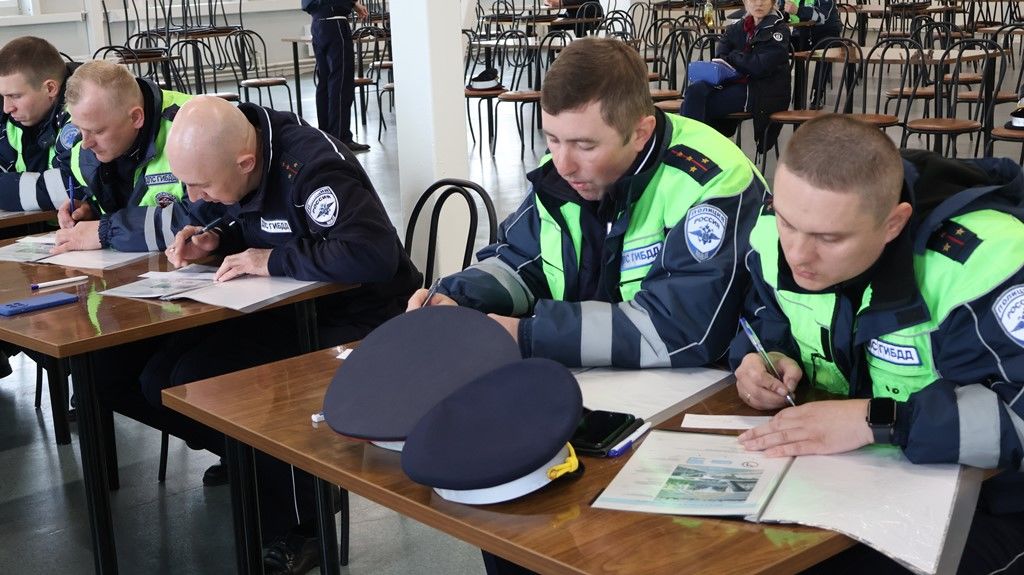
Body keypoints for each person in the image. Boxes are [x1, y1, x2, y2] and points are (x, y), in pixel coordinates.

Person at [732, 114, 1024, 574]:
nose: (798, 254)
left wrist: (881, 420)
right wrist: (762, 354)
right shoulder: (777, 231)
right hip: (858, 487)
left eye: (829, 238)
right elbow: (764, 311)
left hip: (993, 504)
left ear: (893, 224)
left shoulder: (989, 264)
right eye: (786, 222)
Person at [142, 95, 421, 575]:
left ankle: (304, 523)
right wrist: (219, 239)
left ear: (245, 163)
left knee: (218, 377)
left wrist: (270, 260)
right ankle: (250, 457)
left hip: (363, 313)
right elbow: (257, 224)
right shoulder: (240, 158)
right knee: (161, 378)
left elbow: (371, 255)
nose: (194, 197)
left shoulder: (311, 168)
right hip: (293, 308)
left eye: (202, 184)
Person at [410, 38, 766, 371]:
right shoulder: (562, 175)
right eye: (552, 139)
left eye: (585, 145)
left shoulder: (713, 182)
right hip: (595, 381)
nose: (563, 164)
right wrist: (458, 298)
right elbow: (519, 260)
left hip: (707, 391)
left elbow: (679, 330)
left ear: (640, 133)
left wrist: (530, 336)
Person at [50, 59, 219, 253]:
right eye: (79, 128)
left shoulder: (193, 127)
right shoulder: (86, 135)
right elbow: (125, 206)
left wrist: (106, 231)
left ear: (136, 117)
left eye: (97, 131)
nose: (85, 143)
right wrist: (91, 210)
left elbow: (205, 218)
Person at [681, 0, 791, 154]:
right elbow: (721, 55)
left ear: (772, 2)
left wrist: (734, 57)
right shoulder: (738, 27)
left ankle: (695, 153)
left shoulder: (779, 29)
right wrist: (741, 60)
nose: (759, 3)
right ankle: (694, 150)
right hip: (732, 82)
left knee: (698, 106)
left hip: (761, 90)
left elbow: (760, 66)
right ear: (745, 2)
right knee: (695, 91)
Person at [0, 36, 80, 214]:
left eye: (15, 96)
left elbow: (71, 187)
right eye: (3, 96)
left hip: (79, 226)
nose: (7, 108)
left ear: (50, 88)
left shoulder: (83, 113)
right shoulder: (13, 116)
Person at [301, 0, 370, 152]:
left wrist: (354, 4)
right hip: (335, 23)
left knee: (325, 82)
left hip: (317, 23)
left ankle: (326, 137)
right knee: (341, 82)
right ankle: (340, 138)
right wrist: (354, 3)